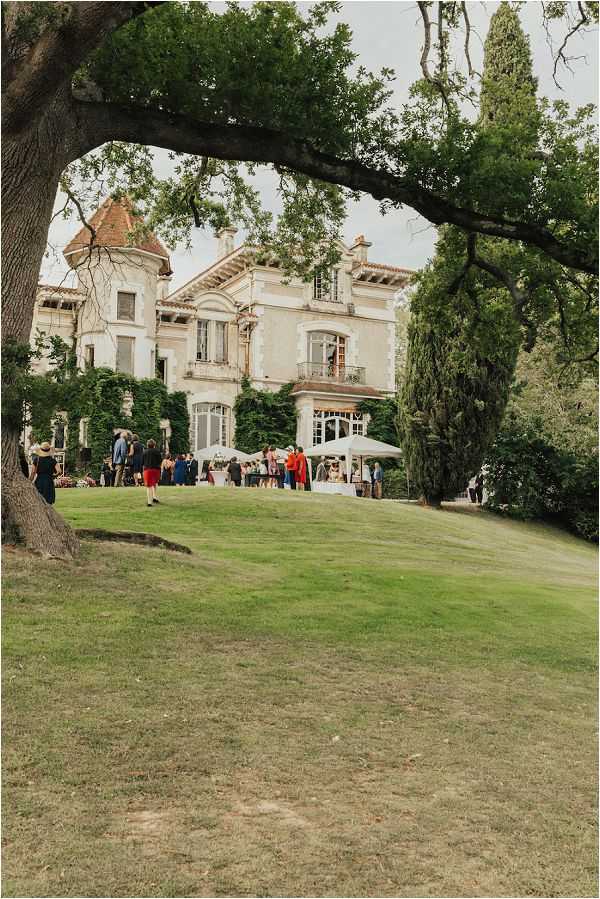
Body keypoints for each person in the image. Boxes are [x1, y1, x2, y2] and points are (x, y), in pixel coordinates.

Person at [142, 438, 163, 507]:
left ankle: (149, 502)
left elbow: (142, 462)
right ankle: (154, 497)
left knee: (149, 486)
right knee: (155, 483)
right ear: (154, 445)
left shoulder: (144, 452)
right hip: (156, 470)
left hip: (147, 470)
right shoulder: (157, 451)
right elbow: (160, 461)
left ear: (147, 445)